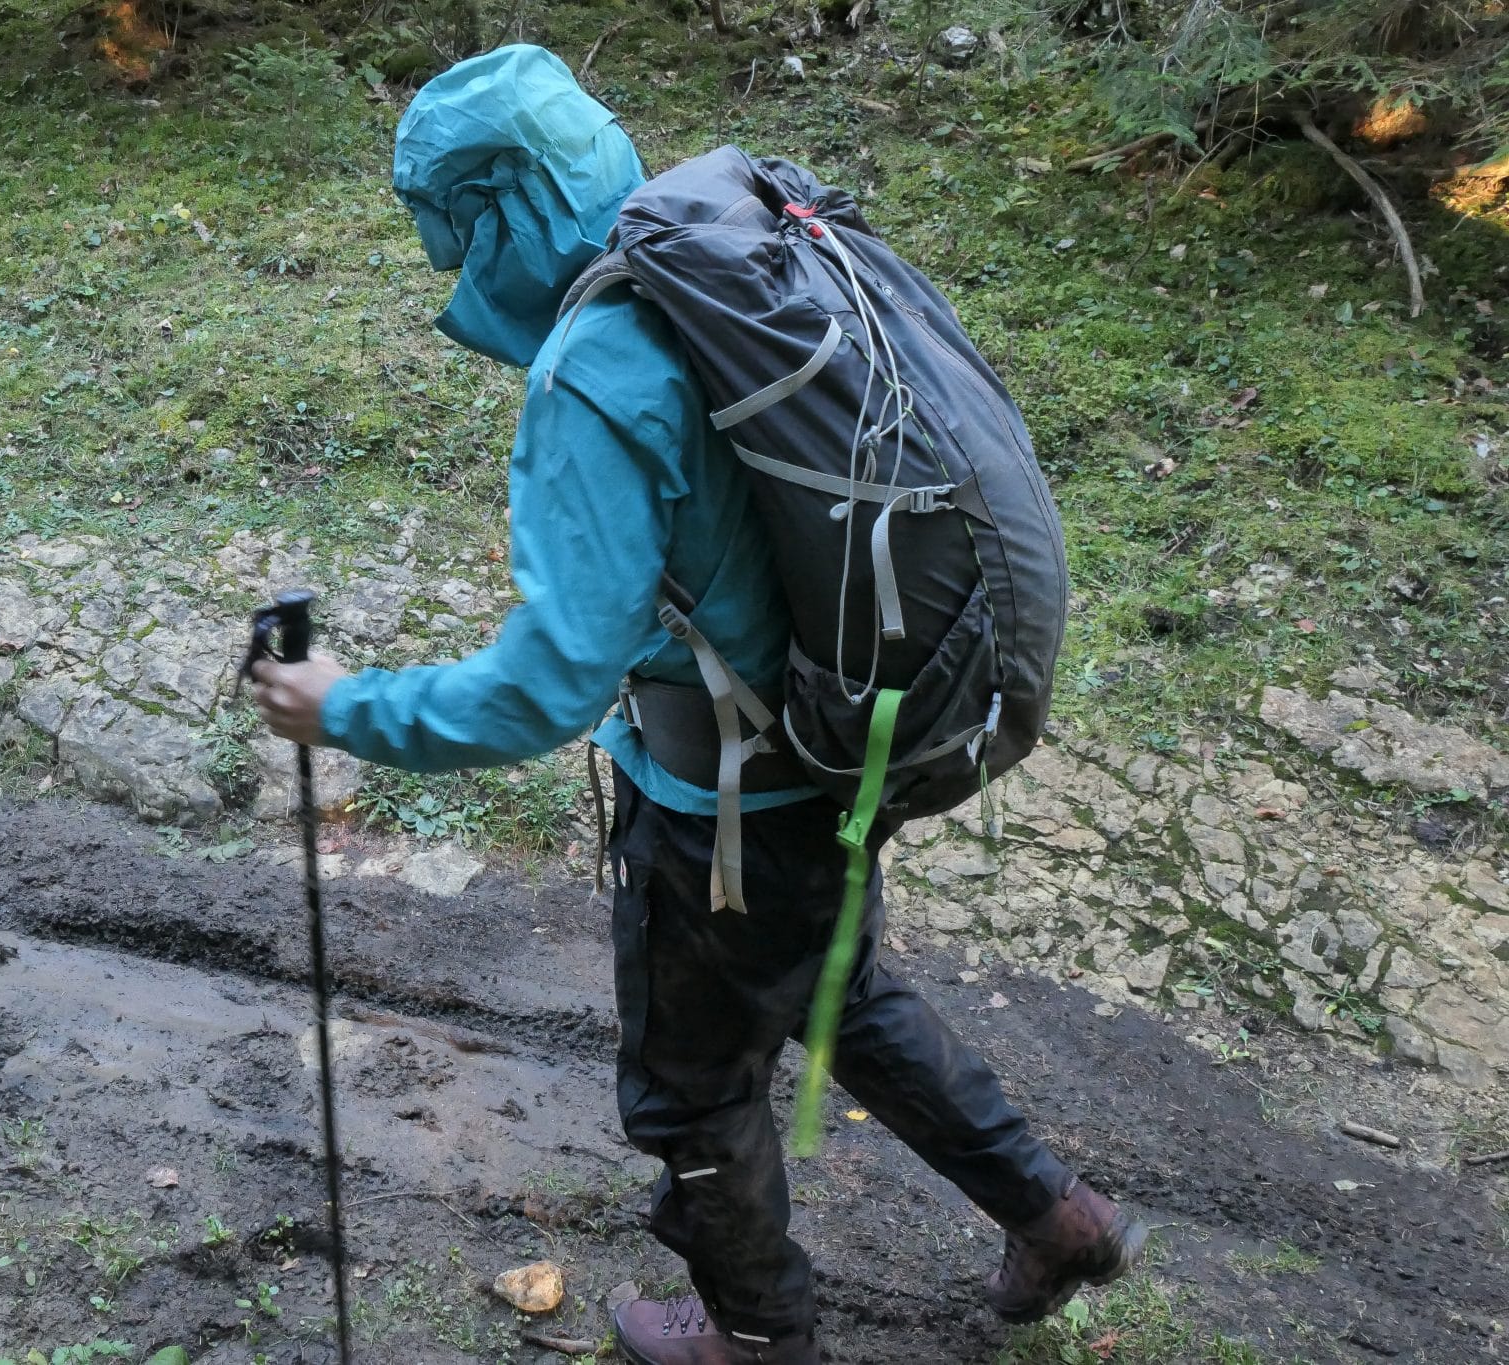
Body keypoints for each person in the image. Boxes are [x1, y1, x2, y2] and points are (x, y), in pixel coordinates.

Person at [249, 43, 1146, 1365]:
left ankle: (755, 1332)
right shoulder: (710, 260)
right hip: (840, 745)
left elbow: (546, 680)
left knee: (690, 1086)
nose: (448, 268)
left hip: (718, 811)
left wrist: (349, 707)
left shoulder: (596, 376)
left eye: (447, 236)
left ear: (498, 212)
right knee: (837, 987)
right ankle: (1059, 1218)